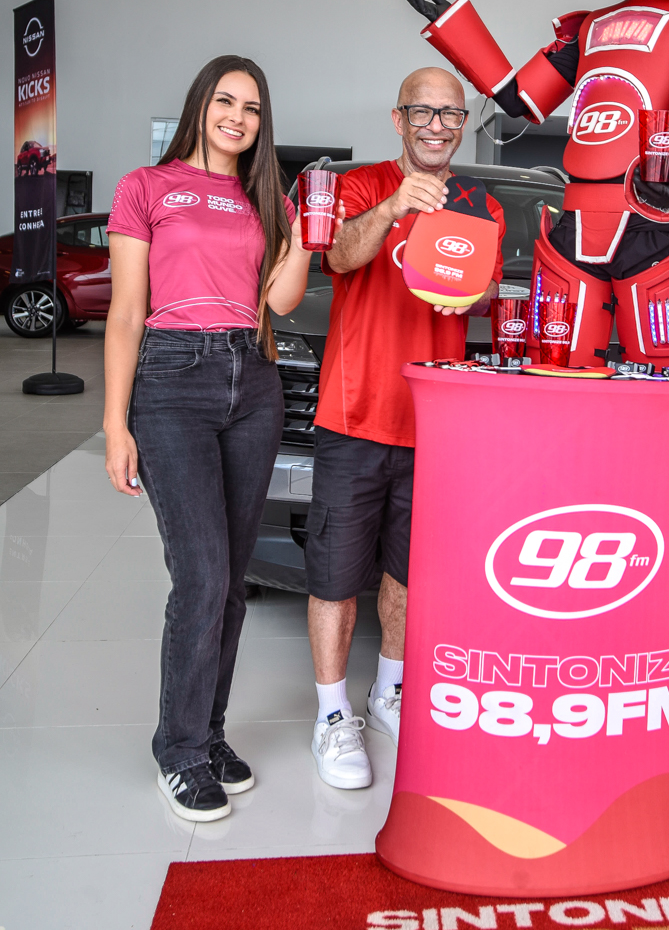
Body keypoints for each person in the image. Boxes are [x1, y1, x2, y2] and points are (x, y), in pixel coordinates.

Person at [104, 56, 321, 822]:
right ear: (200, 104)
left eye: (252, 108)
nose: (237, 116)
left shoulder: (265, 200)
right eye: (225, 100)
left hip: (252, 381)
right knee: (199, 576)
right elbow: (126, 312)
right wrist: (115, 423)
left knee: (229, 581)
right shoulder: (146, 187)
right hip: (171, 381)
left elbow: (280, 301)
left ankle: (209, 733)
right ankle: (179, 750)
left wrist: (306, 233)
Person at [306, 66, 505, 789]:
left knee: (409, 572)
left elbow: (484, 286)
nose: (436, 126)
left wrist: (473, 297)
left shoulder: (482, 204)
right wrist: (396, 204)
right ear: (399, 120)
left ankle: (388, 692)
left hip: (434, 424)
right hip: (354, 414)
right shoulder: (361, 185)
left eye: (449, 114)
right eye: (422, 112)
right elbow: (337, 256)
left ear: (463, 124)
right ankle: (332, 715)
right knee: (334, 577)